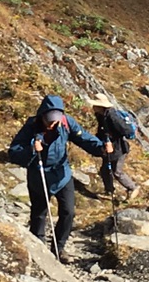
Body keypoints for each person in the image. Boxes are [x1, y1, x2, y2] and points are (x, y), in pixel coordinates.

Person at [8, 93, 102, 260]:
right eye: (49, 120)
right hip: (39, 175)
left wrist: (101, 148)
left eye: (55, 120)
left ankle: (59, 248)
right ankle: (38, 248)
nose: (52, 123)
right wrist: (31, 149)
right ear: (42, 115)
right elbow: (14, 152)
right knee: (39, 213)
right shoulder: (31, 126)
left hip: (62, 174)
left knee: (68, 212)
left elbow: (84, 139)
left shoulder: (66, 123)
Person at [93, 102, 139, 198]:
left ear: (101, 106)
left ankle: (133, 188)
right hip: (109, 148)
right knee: (105, 170)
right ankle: (109, 192)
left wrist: (111, 140)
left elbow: (125, 131)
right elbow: (103, 131)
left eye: (95, 105)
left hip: (119, 148)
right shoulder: (101, 116)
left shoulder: (112, 117)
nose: (93, 107)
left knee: (117, 171)